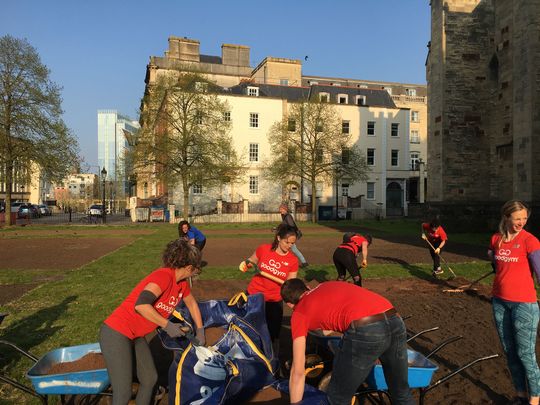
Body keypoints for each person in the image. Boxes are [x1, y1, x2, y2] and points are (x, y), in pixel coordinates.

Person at [99, 239, 205, 405]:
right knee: (123, 392)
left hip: (136, 336)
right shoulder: (163, 277)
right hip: (116, 332)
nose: (198, 271)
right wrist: (168, 325)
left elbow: (191, 303)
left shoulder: (181, 284)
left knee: (149, 379)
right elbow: (141, 305)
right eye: (198, 267)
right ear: (190, 267)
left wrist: (200, 331)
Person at [282, 279, 412, 405]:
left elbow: (298, 371)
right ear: (308, 287)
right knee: (400, 391)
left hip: (366, 329)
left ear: (289, 304)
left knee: (338, 398)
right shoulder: (325, 285)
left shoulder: (299, 313)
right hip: (395, 319)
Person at [487, 200, 540, 405]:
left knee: (525, 354)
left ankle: (534, 399)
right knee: (510, 352)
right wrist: (492, 256)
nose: (521, 222)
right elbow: (494, 258)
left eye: (524, 218)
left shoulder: (530, 241)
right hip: (499, 302)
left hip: (524, 305)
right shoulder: (496, 240)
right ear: (506, 217)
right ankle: (520, 395)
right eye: (517, 218)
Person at [239, 224, 299, 354]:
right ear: (278, 238)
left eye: (292, 243)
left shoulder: (293, 260)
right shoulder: (264, 249)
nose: (289, 246)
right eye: (286, 242)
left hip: (273, 300)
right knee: (248, 329)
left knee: (273, 335)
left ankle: (272, 359)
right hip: (254, 295)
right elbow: (251, 261)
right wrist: (246, 264)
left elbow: (290, 283)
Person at [278, 203, 308, 268]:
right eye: (280, 209)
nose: (280, 210)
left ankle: (303, 262)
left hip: (290, 235)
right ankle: (304, 262)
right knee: (291, 249)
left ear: (285, 209)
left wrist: (288, 232)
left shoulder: (288, 216)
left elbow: (292, 226)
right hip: (288, 235)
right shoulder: (284, 215)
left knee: (288, 249)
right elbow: (285, 224)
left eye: (281, 209)